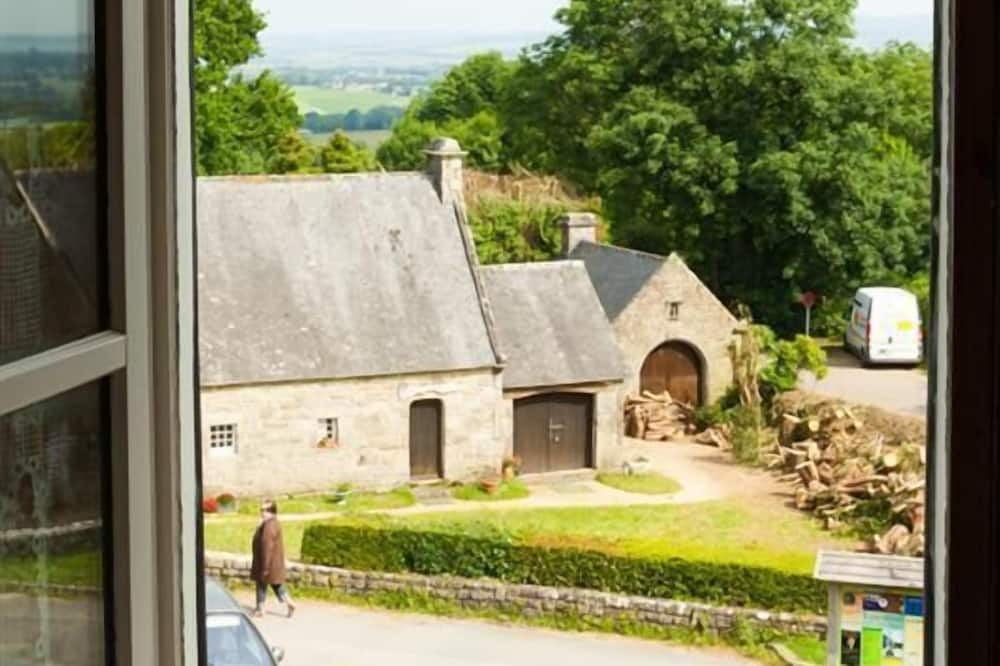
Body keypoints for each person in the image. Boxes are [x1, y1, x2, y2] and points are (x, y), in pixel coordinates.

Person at [250, 499, 296, 618]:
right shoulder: (272, 523)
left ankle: (260, 609)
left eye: (266, 510)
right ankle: (289, 602)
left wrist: (265, 567)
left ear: (273, 511)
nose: (262, 512)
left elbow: (267, 546)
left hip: (266, 563)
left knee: (261, 585)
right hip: (273, 564)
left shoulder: (269, 526)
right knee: (277, 585)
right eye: (261, 509)